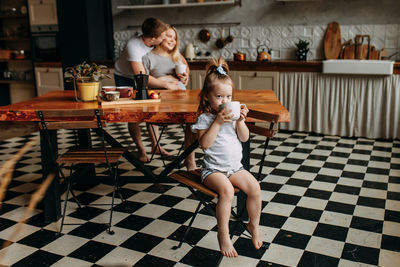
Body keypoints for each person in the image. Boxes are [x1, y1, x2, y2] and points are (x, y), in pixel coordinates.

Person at [191, 57, 263, 257]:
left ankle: (253, 225)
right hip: (212, 170)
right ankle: (223, 234)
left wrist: (241, 121)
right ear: (207, 97)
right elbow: (204, 144)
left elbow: (245, 137)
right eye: (219, 96)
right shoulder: (205, 119)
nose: (225, 101)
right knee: (228, 192)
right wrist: (217, 122)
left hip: (234, 168)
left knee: (255, 188)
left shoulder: (232, 117)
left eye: (229, 97)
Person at [114, 17, 180, 163]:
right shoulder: (134, 47)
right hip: (125, 78)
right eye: (163, 36)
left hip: (143, 76)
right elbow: (141, 76)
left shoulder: (154, 40)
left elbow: (177, 54)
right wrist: (166, 84)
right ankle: (141, 150)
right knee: (133, 115)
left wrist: (184, 71)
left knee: (151, 109)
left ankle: (155, 146)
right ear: (153, 39)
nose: (166, 38)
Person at [142, 25, 196, 170]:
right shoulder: (148, 57)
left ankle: (190, 159)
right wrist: (165, 81)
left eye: (174, 37)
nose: (172, 40)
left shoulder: (177, 56)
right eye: (169, 36)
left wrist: (184, 78)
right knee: (152, 112)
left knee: (193, 119)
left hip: (181, 99)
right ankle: (155, 146)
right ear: (159, 37)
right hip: (160, 102)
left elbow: (184, 78)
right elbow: (144, 80)